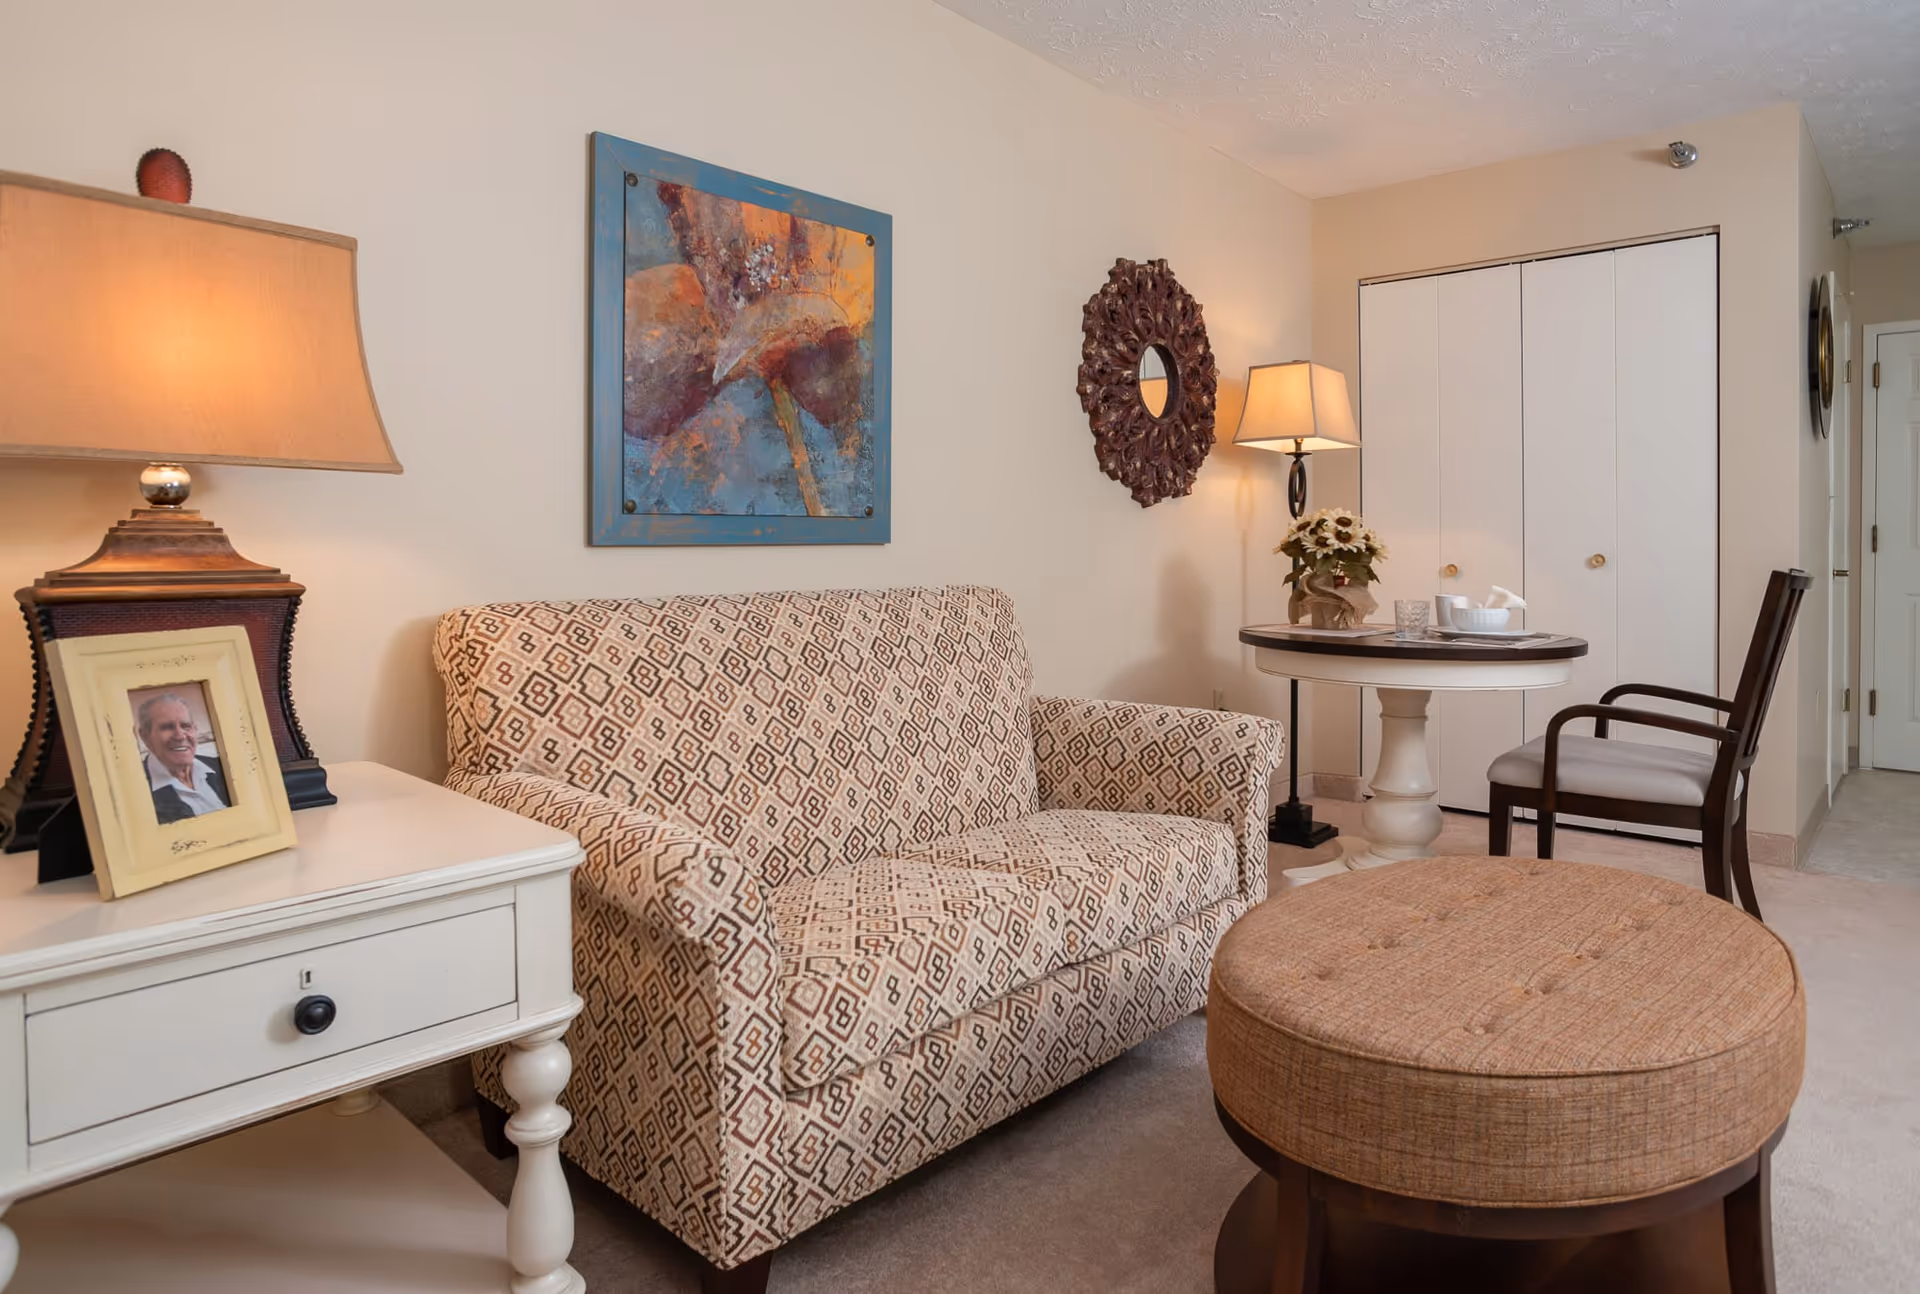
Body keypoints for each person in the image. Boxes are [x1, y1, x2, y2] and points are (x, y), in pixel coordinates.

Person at [137, 692, 230, 823]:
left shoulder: (223, 767)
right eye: (167, 727)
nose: (180, 736)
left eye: (186, 726)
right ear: (145, 736)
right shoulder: (134, 793)